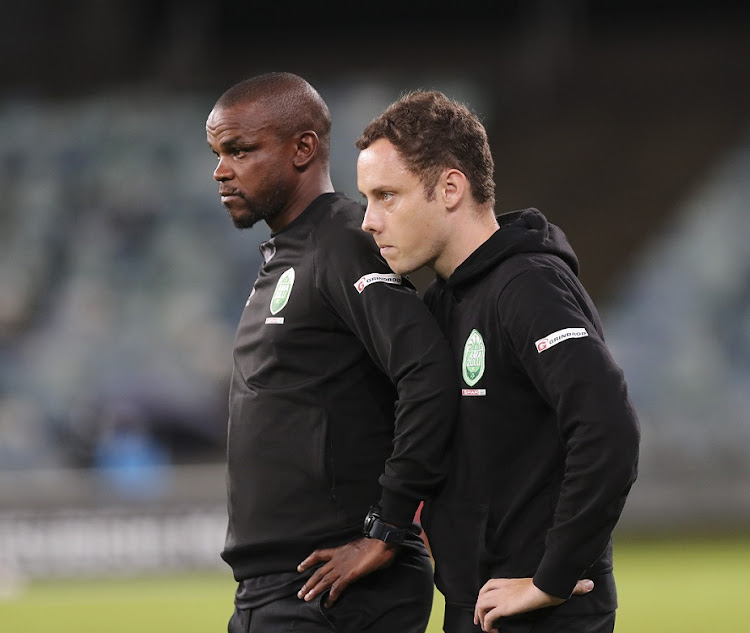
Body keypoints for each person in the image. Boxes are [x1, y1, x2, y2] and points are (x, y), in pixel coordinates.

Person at [356, 90, 641, 633]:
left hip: (542, 615)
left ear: (450, 188)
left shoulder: (528, 286)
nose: (369, 220)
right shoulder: (443, 300)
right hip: (476, 607)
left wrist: (550, 578)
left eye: (386, 196)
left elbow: (608, 429)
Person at [205, 73, 459, 633]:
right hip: (282, 587)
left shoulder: (342, 239)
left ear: (303, 149)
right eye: (218, 153)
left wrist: (388, 528)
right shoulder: (292, 252)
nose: (221, 171)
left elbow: (429, 373)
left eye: (240, 150)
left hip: (334, 591)